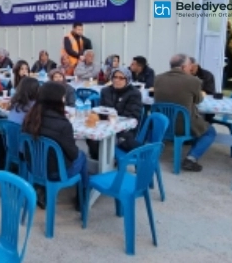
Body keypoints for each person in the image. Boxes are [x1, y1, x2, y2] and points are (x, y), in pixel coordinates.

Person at [22, 82, 88, 210]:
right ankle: (83, 198)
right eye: (63, 97)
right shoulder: (63, 124)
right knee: (82, 156)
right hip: (56, 173)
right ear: (57, 100)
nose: (64, 99)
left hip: (33, 167)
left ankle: (42, 188)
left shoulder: (30, 117)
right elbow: (73, 154)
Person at [154, 54, 216, 172]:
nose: (190, 69)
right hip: (183, 125)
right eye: (189, 66)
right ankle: (191, 158)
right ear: (183, 67)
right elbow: (198, 100)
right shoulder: (193, 81)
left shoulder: (158, 78)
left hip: (163, 124)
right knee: (210, 132)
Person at [87, 67, 143, 159]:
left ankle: (109, 160)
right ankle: (99, 160)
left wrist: (113, 116)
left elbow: (132, 115)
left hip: (125, 128)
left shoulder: (134, 93)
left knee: (120, 140)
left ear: (127, 79)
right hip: (105, 124)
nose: (117, 80)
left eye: (121, 78)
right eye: (115, 77)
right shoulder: (106, 91)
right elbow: (102, 109)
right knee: (91, 136)